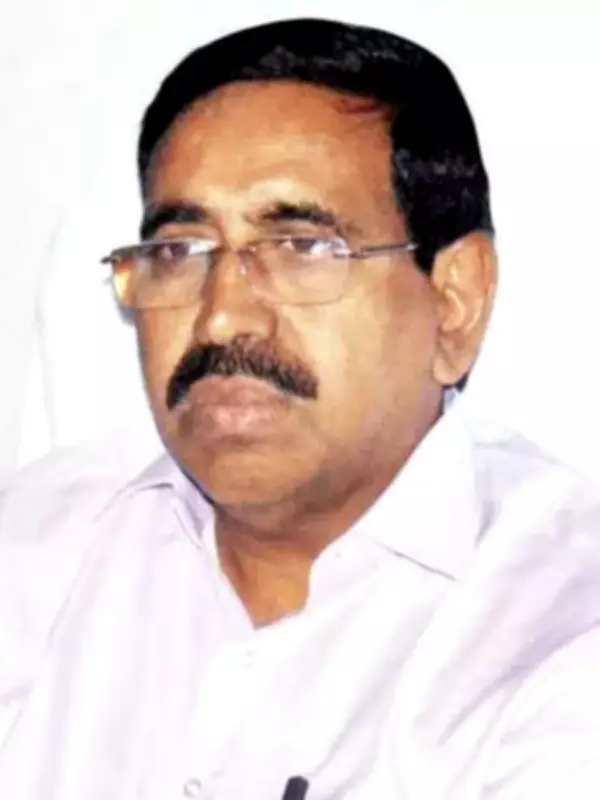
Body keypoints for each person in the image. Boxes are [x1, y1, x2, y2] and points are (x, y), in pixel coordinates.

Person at [1, 16, 599, 800]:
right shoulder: (32, 555)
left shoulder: (562, 629)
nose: (222, 318)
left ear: (454, 302)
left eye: (301, 248)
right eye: (178, 252)